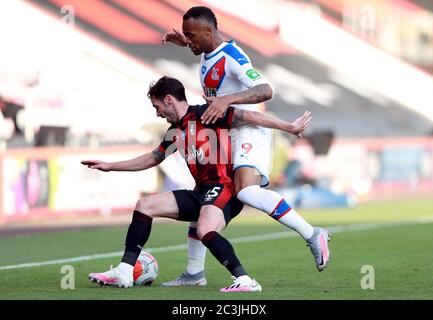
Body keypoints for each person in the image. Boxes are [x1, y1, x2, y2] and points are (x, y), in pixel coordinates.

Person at [82, 76, 313, 292]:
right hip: (201, 192)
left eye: (157, 107)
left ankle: (245, 280)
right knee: (145, 205)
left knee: (204, 230)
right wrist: (110, 166)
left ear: (169, 100)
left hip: (224, 189)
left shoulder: (207, 114)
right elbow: (153, 158)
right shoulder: (174, 132)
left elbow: (249, 117)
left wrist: (289, 127)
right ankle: (124, 272)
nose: (157, 113)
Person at [161, 6, 331, 286]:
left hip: (250, 129)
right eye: (186, 37)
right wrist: (185, 43)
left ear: (209, 31)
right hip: (230, 132)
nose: (188, 40)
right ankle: (194, 273)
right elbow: (207, 60)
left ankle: (313, 234)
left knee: (248, 192)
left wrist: (227, 100)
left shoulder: (233, 57)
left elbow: (266, 90)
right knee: (204, 195)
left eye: (192, 36)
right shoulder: (207, 51)